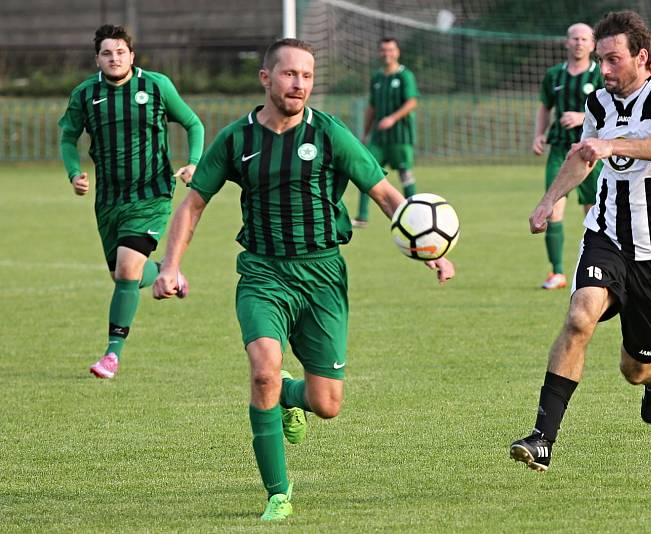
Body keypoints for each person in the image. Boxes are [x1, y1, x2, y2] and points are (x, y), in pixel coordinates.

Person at [152, 38, 454, 521]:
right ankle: (278, 492)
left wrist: (428, 249)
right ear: (266, 78)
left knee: (326, 403)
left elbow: (385, 194)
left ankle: (292, 396)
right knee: (263, 370)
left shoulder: (330, 134)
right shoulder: (236, 140)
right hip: (263, 272)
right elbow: (193, 203)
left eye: (308, 76)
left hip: (322, 276)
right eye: (290, 74)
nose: (299, 84)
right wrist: (170, 265)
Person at [510, 10, 651, 472]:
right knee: (580, 316)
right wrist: (547, 200)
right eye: (601, 60)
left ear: (640, 56)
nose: (605, 70)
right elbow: (584, 155)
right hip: (608, 235)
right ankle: (543, 439)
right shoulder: (598, 104)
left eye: (613, 60)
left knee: (634, 368)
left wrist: (614, 145)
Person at [58, 24, 204, 379]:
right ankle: (170, 272)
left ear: (132, 55)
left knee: (126, 271)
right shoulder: (85, 95)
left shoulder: (155, 85)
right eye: (107, 53)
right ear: (97, 58)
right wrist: (74, 172)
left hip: (151, 194)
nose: (114, 58)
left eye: (120, 52)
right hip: (109, 200)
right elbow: (67, 137)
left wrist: (194, 162)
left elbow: (193, 123)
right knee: (122, 274)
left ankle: (111, 354)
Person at [533, 23, 604, 290]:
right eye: (574, 38)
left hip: (590, 151)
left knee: (594, 212)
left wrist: (582, 117)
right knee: (551, 209)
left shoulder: (600, 74)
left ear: (592, 44)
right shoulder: (554, 75)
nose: (578, 43)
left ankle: (595, 267)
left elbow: (610, 108)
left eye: (584, 39)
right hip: (561, 150)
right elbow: (544, 106)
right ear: (566, 42)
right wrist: (538, 135)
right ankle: (557, 272)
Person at [352, 37, 419, 227]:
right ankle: (362, 217)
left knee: (405, 173)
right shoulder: (377, 77)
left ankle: (414, 215)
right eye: (383, 50)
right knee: (366, 171)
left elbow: (412, 102)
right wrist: (365, 133)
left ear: (397, 52)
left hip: (400, 135)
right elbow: (371, 107)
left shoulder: (405, 76)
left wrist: (392, 118)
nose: (386, 53)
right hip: (379, 137)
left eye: (390, 49)